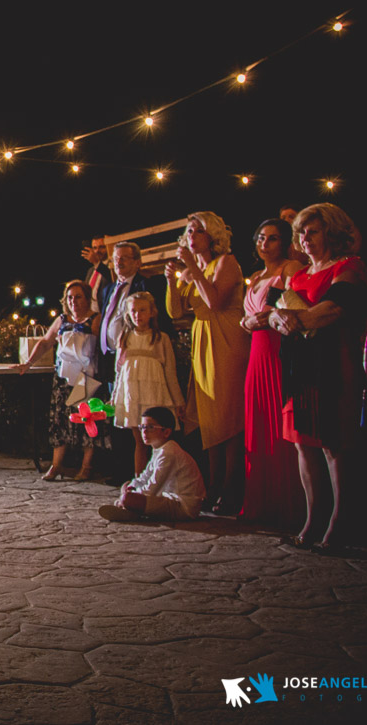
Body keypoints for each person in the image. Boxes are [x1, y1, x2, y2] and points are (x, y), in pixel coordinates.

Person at [268, 203, 367, 553]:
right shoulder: (296, 276)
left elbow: (335, 308)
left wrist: (291, 320)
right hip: (301, 364)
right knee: (303, 442)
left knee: (334, 443)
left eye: (313, 231)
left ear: (332, 231)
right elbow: (275, 313)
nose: (305, 238)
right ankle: (312, 521)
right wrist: (274, 320)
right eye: (301, 232)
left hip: (335, 361)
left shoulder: (349, 267)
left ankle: (340, 525)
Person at [166, 211, 249, 515]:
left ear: (212, 235)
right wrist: (172, 282)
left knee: (228, 415)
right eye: (188, 231)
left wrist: (192, 268)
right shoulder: (192, 270)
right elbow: (176, 312)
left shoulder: (226, 263)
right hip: (201, 340)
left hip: (226, 340)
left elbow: (215, 302)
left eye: (198, 230)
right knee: (210, 418)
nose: (191, 236)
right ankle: (214, 485)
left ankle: (232, 487)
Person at [239, 219, 305, 528]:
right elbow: (247, 316)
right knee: (258, 420)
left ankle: (286, 502)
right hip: (255, 351)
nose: (265, 244)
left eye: (273, 238)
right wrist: (247, 323)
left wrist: (255, 321)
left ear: (286, 242)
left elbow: (286, 307)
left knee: (279, 422)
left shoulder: (290, 269)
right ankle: (260, 501)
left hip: (277, 348)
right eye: (261, 237)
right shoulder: (254, 276)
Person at [16, 280, 106, 481]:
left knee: (86, 420)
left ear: (87, 298)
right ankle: (56, 465)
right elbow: (46, 341)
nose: (74, 301)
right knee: (59, 420)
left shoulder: (95, 320)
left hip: (86, 378)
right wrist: (28, 362)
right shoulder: (62, 320)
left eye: (78, 296)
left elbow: (102, 348)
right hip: (63, 377)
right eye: (70, 297)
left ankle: (86, 467)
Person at [95, 240, 171, 481]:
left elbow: (160, 318)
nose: (119, 262)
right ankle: (121, 471)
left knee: (140, 418)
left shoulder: (146, 284)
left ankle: (143, 474)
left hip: (143, 362)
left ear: (137, 262)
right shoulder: (108, 289)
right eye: (116, 259)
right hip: (113, 358)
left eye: (125, 258)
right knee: (120, 413)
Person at [110, 292, 184, 478]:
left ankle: (158, 479)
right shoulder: (124, 338)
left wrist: (178, 401)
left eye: (142, 310)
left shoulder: (161, 339)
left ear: (152, 312)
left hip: (154, 394)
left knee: (156, 441)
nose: (138, 315)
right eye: (133, 311)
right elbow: (119, 372)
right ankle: (139, 480)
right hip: (133, 395)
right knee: (140, 441)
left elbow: (170, 372)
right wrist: (114, 398)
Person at [99, 407, 206, 522]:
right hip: (168, 499)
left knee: (128, 498)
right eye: (142, 427)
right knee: (127, 486)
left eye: (150, 427)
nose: (144, 432)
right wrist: (131, 488)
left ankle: (129, 509)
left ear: (166, 432)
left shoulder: (169, 453)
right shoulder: (160, 449)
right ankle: (131, 510)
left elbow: (152, 488)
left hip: (182, 507)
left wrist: (129, 496)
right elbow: (145, 476)